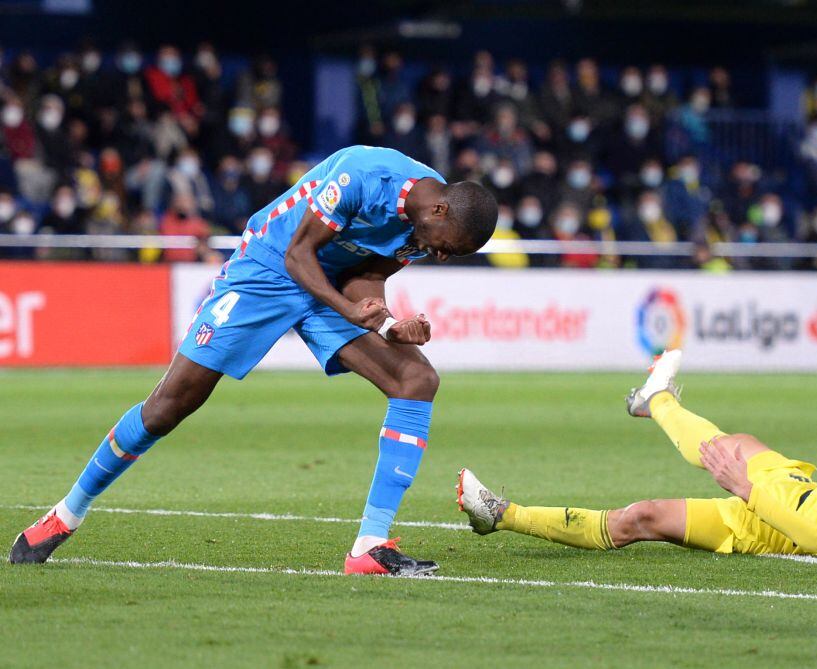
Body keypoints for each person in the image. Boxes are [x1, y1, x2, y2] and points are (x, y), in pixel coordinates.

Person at [10, 145, 498, 576]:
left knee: (415, 379)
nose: (440, 256)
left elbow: (367, 277)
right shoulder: (365, 175)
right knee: (168, 406)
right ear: (439, 209)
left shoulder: (423, 227)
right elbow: (298, 253)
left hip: (331, 288)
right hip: (268, 268)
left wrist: (389, 326)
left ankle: (370, 546)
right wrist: (352, 311)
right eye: (447, 247)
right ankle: (65, 513)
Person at [458, 350, 817, 562]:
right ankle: (653, 399)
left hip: (777, 525)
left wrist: (747, 490)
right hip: (797, 493)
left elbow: (816, 539)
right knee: (731, 442)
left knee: (640, 517)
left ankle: (499, 512)